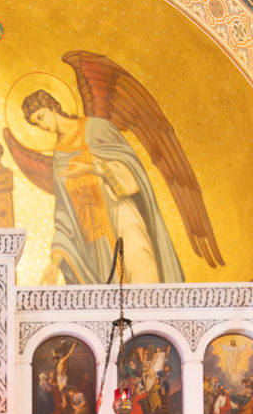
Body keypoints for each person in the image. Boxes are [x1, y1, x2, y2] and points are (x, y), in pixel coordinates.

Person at [21, 89, 183, 285]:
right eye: (37, 123)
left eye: (41, 116)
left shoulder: (97, 128)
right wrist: (54, 263)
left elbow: (133, 171)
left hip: (122, 215)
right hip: (96, 242)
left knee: (142, 272)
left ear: (52, 106)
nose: (43, 125)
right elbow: (65, 213)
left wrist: (92, 167)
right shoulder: (59, 160)